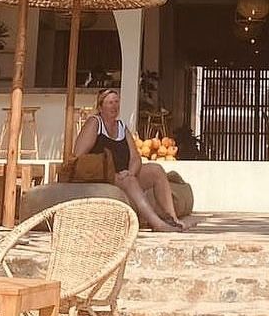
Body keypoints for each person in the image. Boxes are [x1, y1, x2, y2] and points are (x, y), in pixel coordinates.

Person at [73, 88, 185, 232]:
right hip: (102, 174)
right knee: (129, 181)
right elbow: (78, 154)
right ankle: (157, 223)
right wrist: (107, 169)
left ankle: (173, 219)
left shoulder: (121, 127)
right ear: (100, 107)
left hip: (123, 174)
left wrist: (130, 172)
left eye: (116, 102)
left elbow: (135, 158)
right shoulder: (95, 123)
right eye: (110, 103)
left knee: (156, 170)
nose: (114, 106)